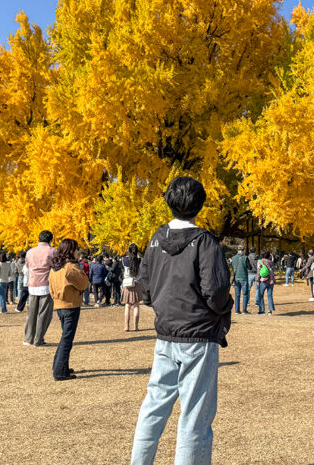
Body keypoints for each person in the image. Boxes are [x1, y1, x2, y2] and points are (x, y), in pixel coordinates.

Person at [130, 177, 232, 465]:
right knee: (195, 416)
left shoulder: (155, 239)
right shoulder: (204, 242)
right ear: (200, 204)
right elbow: (217, 291)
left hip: (166, 334)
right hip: (198, 335)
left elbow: (146, 289)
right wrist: (224, 310)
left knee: (153, 407)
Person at [48, 238, 89, 381]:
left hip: (59, 305)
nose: (78, 252)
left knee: (65, 337)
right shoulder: (71, 267)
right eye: (77, 249)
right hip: (71, 305)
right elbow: (84, 284)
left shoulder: (55, 267)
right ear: (71, 250)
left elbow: (51, 286)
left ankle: (60, 366)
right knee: (67, 338)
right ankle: (60, 371)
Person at [24, 231, 56, 347]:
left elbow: (27, 265)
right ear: (50, 239)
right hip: (46, 284)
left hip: (33, 284)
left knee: (31, 312)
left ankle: (28, 338)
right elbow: (56, 265)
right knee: (44, 313)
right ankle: (38, 339)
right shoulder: (52, 251)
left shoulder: (30, 252)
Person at [122, 243, 143, 331]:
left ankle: (127, 326)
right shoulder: (141, 260)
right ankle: (136, 327)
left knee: (127, 305)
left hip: (127, 284)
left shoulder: (124, 260)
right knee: (136, 306)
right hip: (137, 283)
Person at [230, 245, 251, 314]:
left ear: (238, 250)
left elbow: (233, 267)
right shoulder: (245, 257)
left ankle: (237, 310)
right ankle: (244, 310)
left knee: (237, 295)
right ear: (243, 250)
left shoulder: (233, 258)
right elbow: (249, 267)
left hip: (236, 278)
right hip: (244, 278)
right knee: (245, 294)